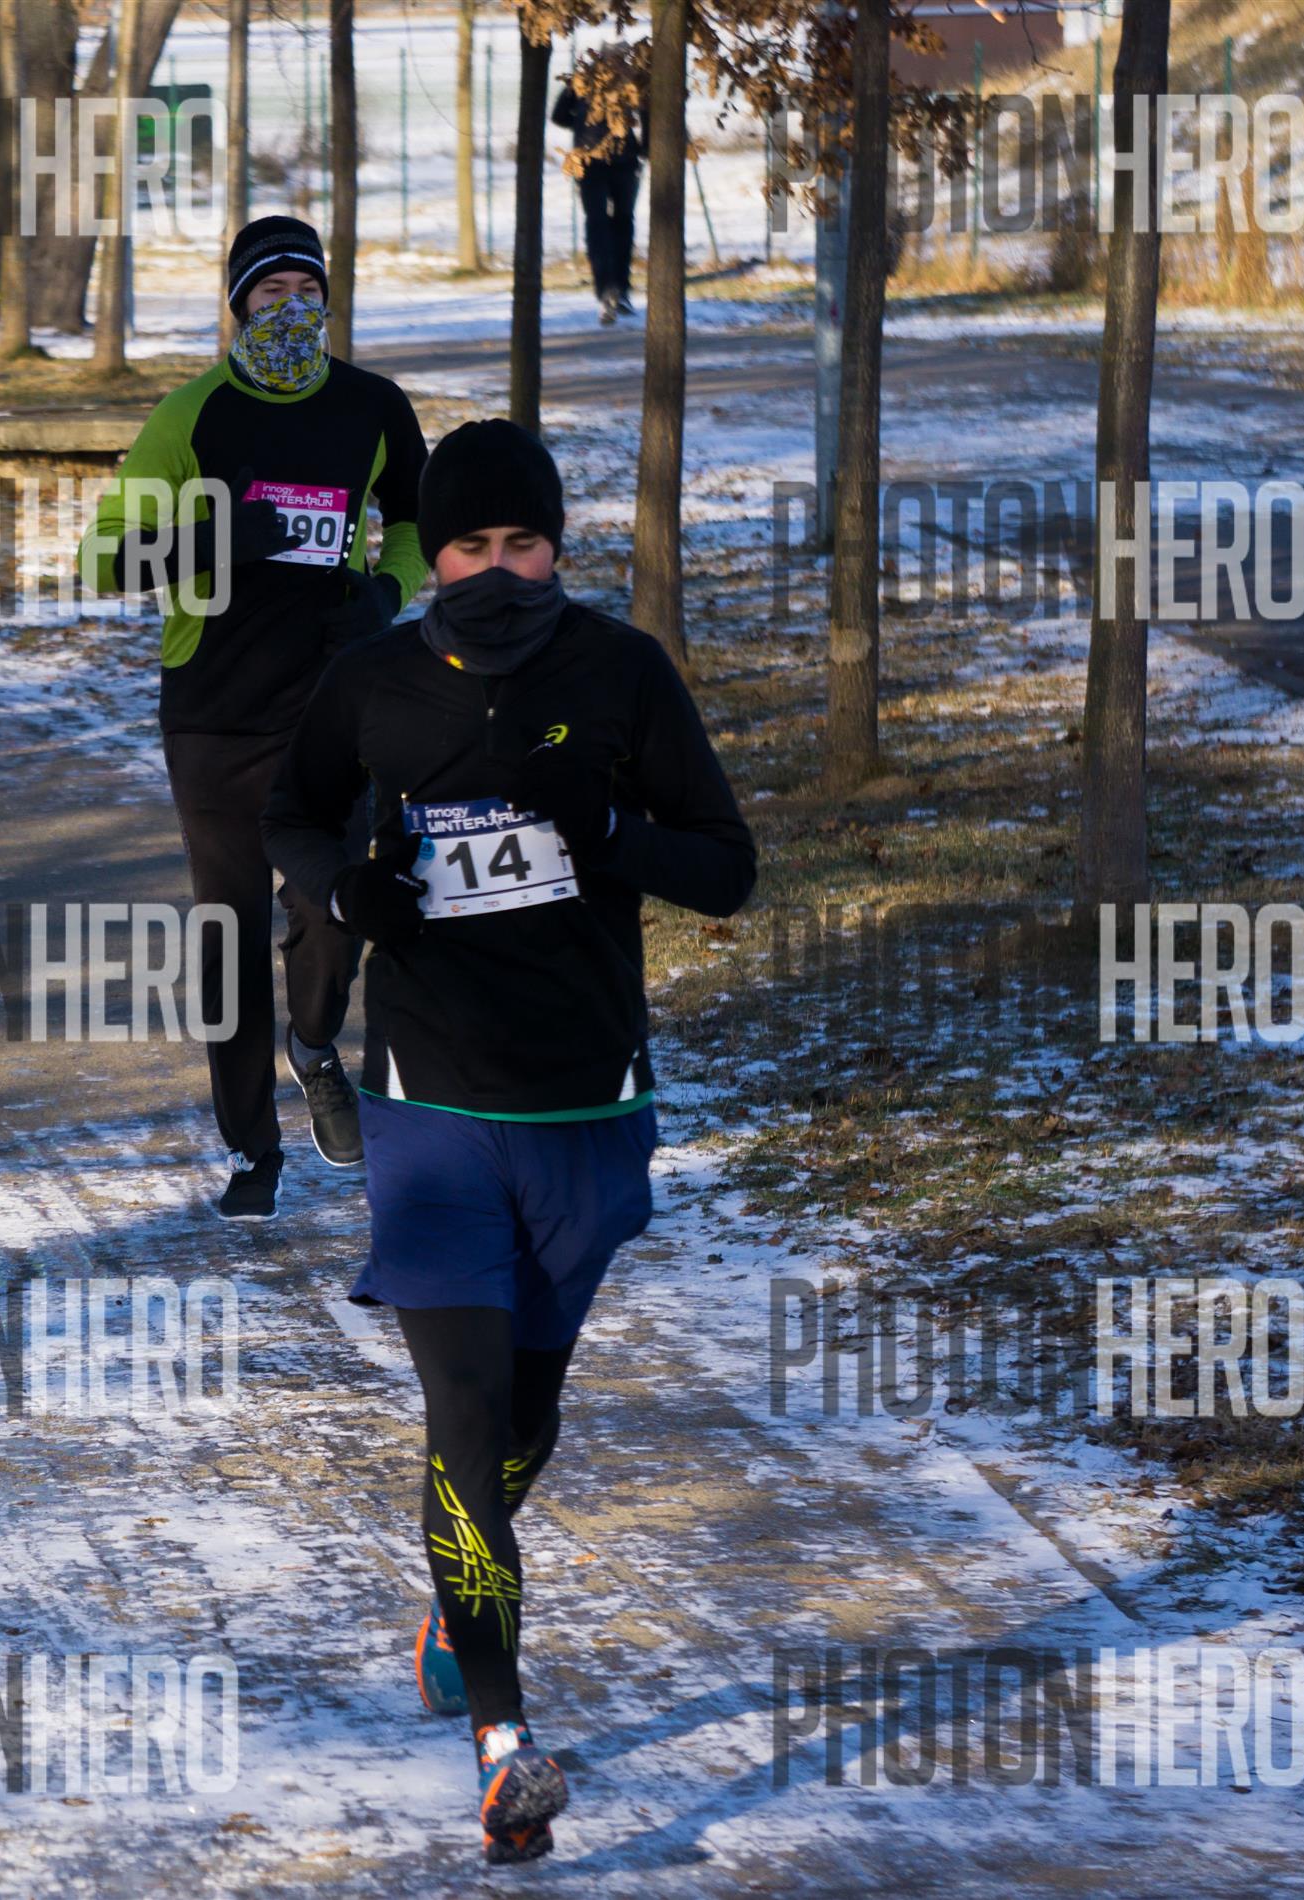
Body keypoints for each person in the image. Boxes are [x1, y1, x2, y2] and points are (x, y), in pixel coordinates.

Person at [261, 418, 756, 1863]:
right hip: (429, 1105)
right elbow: (291, 816)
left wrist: (610, 827)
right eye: (467, 546)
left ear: (556, 545)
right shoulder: (372, 681)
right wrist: (346, 896)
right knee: (467, 1421)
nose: (494, 570)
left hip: (586, 1103)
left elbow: (725, 870)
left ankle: (451, 1595)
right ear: (429, 554)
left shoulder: (620, 673)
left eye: (520, 544)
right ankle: (502, 1741)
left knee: (524, 1422)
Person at [82, 214, 427, 1221]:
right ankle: (250, 1146)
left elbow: (417, 523)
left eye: (307, 292)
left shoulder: (371, 407)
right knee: (228, 934)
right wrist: (214, 533)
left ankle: (313, 1044)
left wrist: (385, 593)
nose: (290, 309)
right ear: (237, 306)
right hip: (214, 716)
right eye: (270, 293)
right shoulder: (192, 416)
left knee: (335, 904)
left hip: (331, 711)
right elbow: (105, 557)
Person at [550, 81, 643, 325]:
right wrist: (642, 147)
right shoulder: (629, 81)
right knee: (623, 224)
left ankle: (605, 289)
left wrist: (583, 124)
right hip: (625, 161)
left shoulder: (581, 82)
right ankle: (621, 290)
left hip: (589, 162)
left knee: (597, 224)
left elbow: (558, 116)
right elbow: (646, 114)